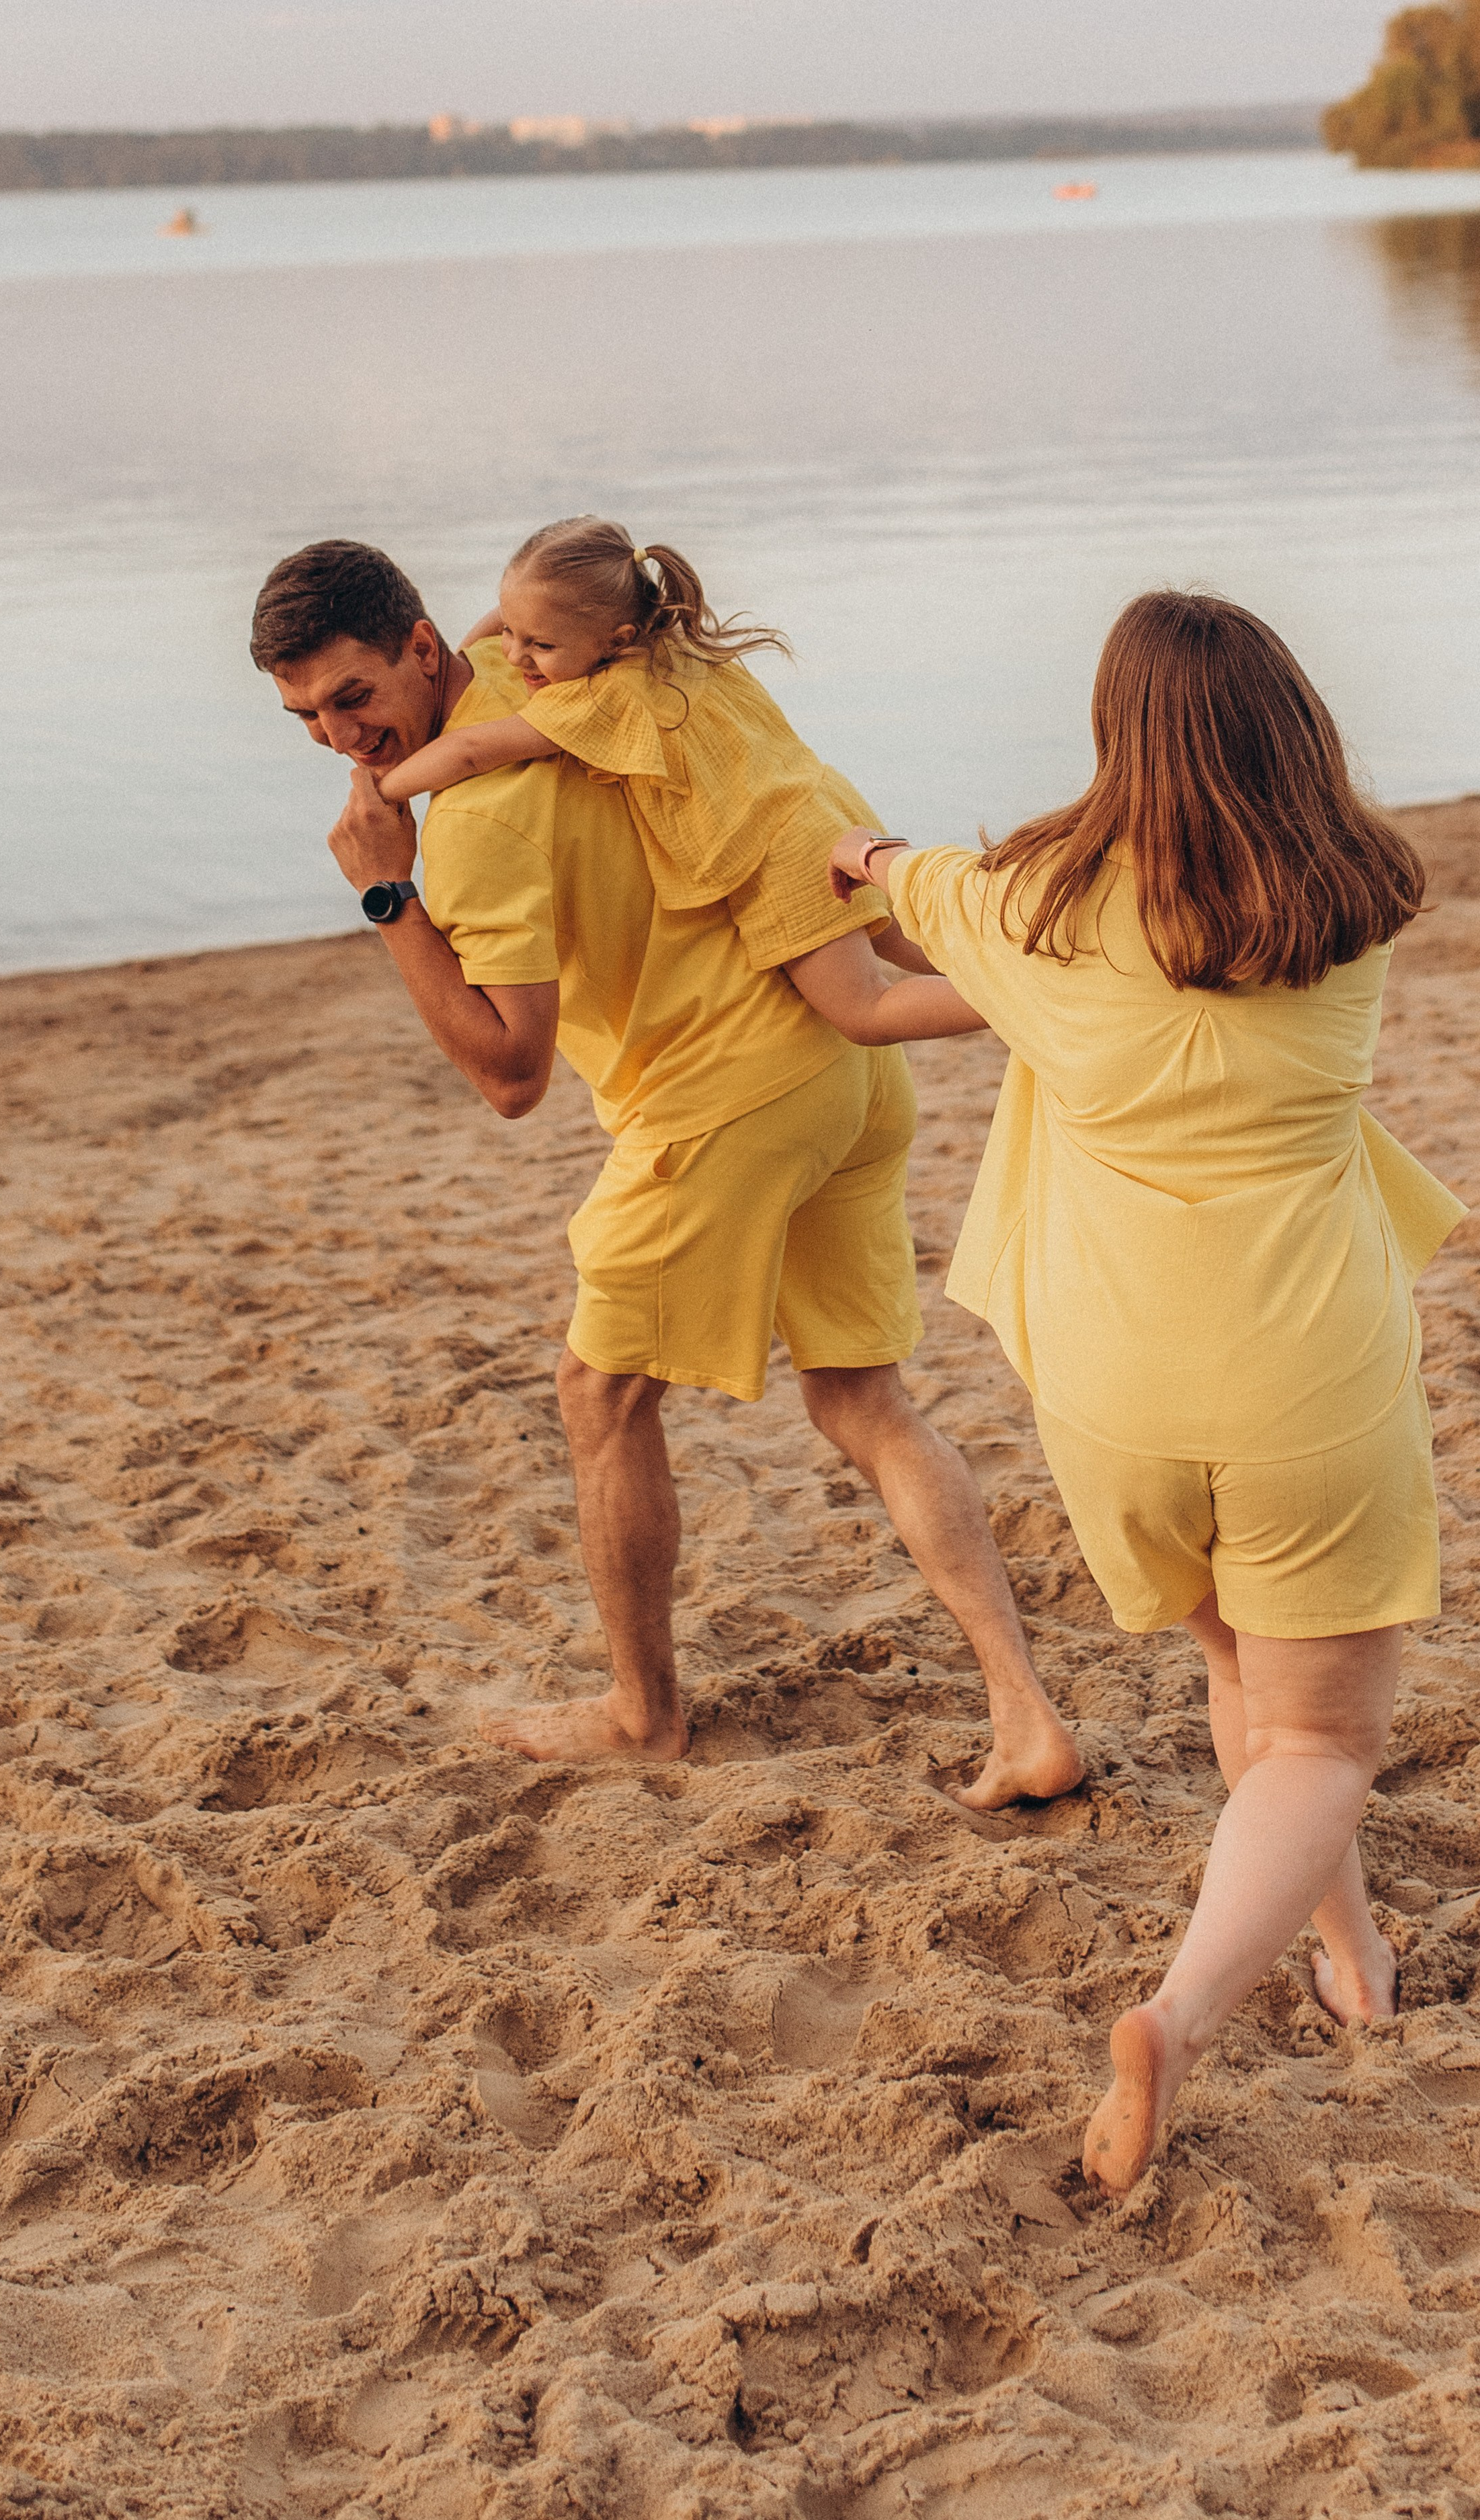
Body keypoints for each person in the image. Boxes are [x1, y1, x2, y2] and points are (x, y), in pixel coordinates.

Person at [250, 536, 1082, 1806]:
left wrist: (386, 897)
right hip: (839, 1073)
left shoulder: (474, 824)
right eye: (304, 713)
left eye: (351, 698)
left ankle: (643, 1714)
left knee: (599, 1396)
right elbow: (523, 612)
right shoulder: (536, 663)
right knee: (861, 1399)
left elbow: (510, 1071)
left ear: (420, 651)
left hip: (721, 1101)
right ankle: (1024, 1716)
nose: (334, 733)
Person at [826, 587, 1465, 2191]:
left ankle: (1352, 1959)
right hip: (1298, 1366)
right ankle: (1179, 2010)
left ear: (1112, 738)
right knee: (1319, 1729)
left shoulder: (1023, 910)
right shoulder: (1350, 900)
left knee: (1238, 1664)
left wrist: (866, 860)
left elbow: (875, 871)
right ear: (1293, 728)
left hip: (1110, 1380)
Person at [376, 514, 974, 1046]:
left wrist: (382, 789)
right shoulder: (673, 639)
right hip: (823, 809)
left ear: (615, 640)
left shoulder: (599, 698)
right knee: (901, 941)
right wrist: (507, 628)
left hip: (780, 860)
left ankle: (1020, 1000)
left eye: (541, 645)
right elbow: (521, 627)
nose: (512, 657)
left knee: (865, 1011)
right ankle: (1031, 968)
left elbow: (471, 750)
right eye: (509, 630)